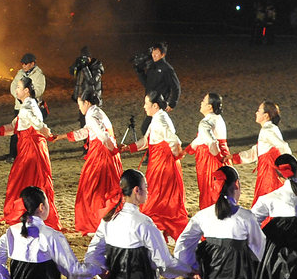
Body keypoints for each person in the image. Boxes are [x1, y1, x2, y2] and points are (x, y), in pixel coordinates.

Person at [123, 92, 188, 243]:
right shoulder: (158, 118)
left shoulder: (160, 120)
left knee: (157, 198)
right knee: (160, 198)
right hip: (159, 163)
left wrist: (176, 155)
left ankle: (163, 232)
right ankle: (165, 232)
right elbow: (147, 141)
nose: (144, 106)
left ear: (155, 105)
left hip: (163, 165)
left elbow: (173, 140)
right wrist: (128, 148)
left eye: (146, 103)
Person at [0, 79, 60, 229]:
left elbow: (34, 122)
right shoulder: (30, 104)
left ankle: (24, 211)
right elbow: (15, 126)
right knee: (32, 179)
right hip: (34, 147)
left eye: (18, 87)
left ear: (26, 90)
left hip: (30, 149)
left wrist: (45, 130)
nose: (16, 89)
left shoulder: (26, 107)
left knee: (20, 178)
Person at [68, 90, 124, 236]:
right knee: (106, 186)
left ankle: (94, 223)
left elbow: (103, 137)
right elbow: (87, 131)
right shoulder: (97, 112)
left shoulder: (91, 115)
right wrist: (64, 136)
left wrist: (112, 149)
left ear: (86, 103)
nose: (79, 108)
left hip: (101, 154)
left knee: (93, 188)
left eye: (80, 104)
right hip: (107, 152)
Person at [232, 102, 291, 203]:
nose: (256, 113)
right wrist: (235, 157)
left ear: (266, 116)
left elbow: (283, 146)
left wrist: (287, 169)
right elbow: (258, 150)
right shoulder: (271, 128)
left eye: (259, 110)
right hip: (268, 170)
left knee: (266, 201)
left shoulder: (267, 130)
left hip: (269, 172)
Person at [186, 94, 233, 211]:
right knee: (221, 188)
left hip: (210, 158)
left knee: (209, 189)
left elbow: (211, 141)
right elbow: (202, 138)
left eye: (203, 101)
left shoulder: (205, 122)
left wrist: (218, 156)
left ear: (209, 107)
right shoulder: (218, 119)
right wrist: (188, 150)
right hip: (223, 153)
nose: (201, 103)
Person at [133, 42, 181, 123]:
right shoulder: (152, 66)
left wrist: (172, 104)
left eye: (156, 53)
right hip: (150, 104)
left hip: (159, 105)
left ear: (163, 55)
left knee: (146, 127)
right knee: (147, 128)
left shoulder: (167, 69)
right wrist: (140, 72)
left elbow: (176, 87)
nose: (154, 55)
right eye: (153, 53)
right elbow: (147, 83)